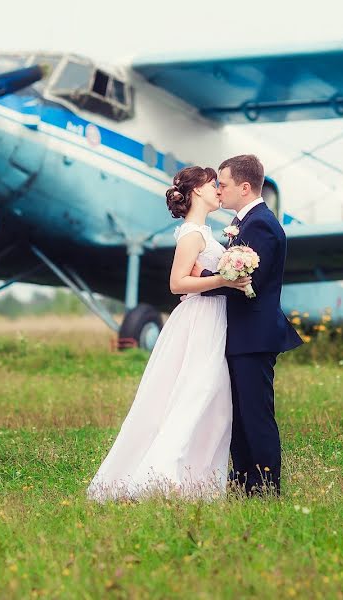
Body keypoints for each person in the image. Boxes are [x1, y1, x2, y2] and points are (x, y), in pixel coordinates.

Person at [86, 166, 251, 501]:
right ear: (196, 193)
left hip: (213, 318)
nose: (218, 190)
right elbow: (177, 283)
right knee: (197, 393)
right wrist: (223, 279)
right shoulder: (192, 234)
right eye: (211, 185)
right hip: (200, 320)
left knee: (214, 402)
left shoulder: (204, 231)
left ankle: (196, 482)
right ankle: (158, 477)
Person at [199, 154, 303, 496]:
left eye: (223, 184)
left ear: (245, 187)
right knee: (239, 414)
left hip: (254, 336)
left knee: (255, 414)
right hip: (242, 335)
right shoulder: (247, 222)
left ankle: (265, 487)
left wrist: (199, 278)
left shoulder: (259, 224)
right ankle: (244, 480)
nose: (219, 190)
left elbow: (244, 278)